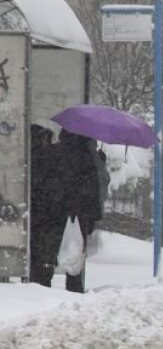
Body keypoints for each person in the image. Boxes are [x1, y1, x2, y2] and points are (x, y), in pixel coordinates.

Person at [52, 129, 108, 293]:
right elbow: (96, 186)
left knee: (51, 245)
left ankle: (43, 282)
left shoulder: (57, 153)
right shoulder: (89, 157)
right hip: (81, 210)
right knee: (76, 246)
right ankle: (74, 285)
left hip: (56, 207)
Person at [28, 124, 64, 286]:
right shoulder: (55, 156)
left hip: (36, 208)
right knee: (46, 247)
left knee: (36, 245)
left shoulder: (31, 156)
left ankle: (37, 275)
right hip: (50, 209)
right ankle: (44, 276)